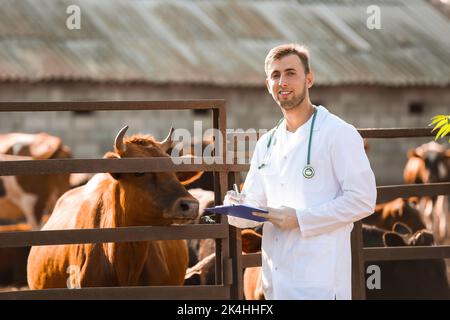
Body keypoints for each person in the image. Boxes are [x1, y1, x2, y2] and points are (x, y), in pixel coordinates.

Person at [224, 43, 377, 300]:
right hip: (275, 284)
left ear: (309, 79)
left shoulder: (338, 133)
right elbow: (253, 209)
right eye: (275, 75)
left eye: (290, 73)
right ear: (268, 85)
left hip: (321, 284)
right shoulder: (267, 144)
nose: (282, 81)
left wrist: (301, 219)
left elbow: (363, 200)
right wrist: (234, 209)